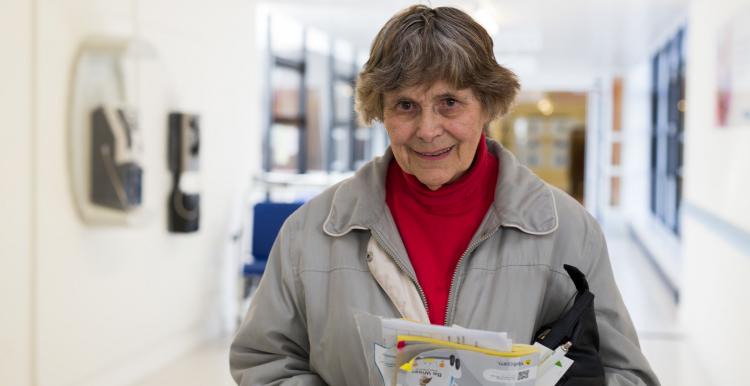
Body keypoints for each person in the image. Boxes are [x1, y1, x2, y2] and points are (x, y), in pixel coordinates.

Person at [230, 5, 658, 385]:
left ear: (488, 105)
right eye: (405, 105)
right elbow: (264, 362)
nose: (428, 129)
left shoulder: (566, 230)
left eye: (450, 102)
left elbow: (628, 374)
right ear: (380, 110)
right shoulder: (312, 233)